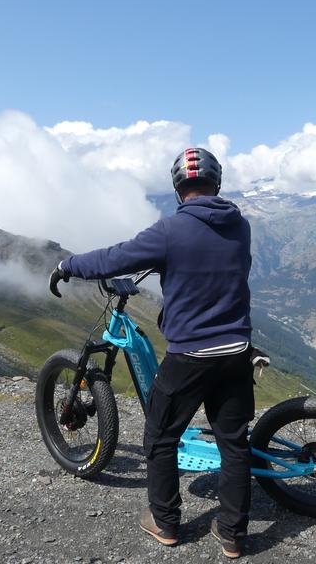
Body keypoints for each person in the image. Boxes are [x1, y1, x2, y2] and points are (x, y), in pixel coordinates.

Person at [49, 147, 254, 559]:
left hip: (192, 354)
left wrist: (68, 265)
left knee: (160, 437)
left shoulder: (170, 232)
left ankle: (165, 522)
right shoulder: (241, 226)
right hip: (237, 351)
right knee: (234, 444)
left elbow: (114, 258)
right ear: (217, 184)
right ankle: (232, 535)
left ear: (179, 189)